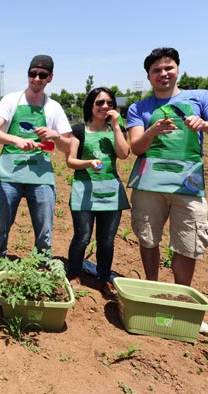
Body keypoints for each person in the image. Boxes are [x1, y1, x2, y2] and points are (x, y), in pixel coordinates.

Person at [126, 47, 208, 334]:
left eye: (168, 68)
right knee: (148, 237)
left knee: (188, 242)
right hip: (149, 184)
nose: (163, 74)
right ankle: (150, 292)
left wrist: (205, 124)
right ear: (148, 76)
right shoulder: (140, 108)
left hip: (188, 184)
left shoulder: (200, 98)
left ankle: (181, 301)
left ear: (177, 69)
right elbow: (135, 147)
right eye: (156, 70)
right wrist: (152, 131)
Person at [0, 54, 72, 291]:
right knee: (1, 227)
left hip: (41, 177)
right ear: (28, 74)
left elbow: (69, 146)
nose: (37, 78)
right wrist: (16, 140)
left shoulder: (54, 107)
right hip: (9, 176)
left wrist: (56, 136)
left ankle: (43, 271)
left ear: (50, 78)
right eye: (33, 73)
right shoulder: (11, 100)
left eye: (42, 75)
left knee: (44, 229)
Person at [65, 87, 130, 297]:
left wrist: (117, 127)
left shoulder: (116, 130)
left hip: (111, 192)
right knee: (82, 237)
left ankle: (103, 278)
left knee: (107, 240)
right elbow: (70, 161)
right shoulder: (79, 130)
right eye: (100, 103)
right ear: (91, 105)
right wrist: (89, 163)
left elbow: (124, 154)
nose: (105, 107)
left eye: (109, 103)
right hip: (85, 191)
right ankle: (73, 273)